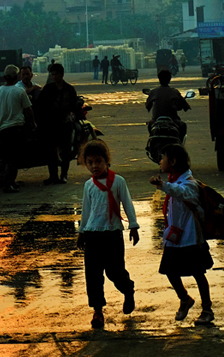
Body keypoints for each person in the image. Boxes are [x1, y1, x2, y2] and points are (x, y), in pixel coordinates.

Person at [149, 144, 214, 325]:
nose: (160, 161)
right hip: (175, 237)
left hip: (191, 237)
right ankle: (185, 298)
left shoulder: (189, 184)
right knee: (169, 270)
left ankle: (207, 309)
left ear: (173, 162)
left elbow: (181, 192)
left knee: (198, 273)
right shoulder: (174, 181)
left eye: (163, 157)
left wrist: (163, 185)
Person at [77, 139, 139, 329]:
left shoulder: (118, 182)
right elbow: (86, 210)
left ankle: (128, 290)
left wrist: (134, 226)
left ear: (106, 161)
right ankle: (97, 311)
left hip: (112, 235)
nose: (94, 166)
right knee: (93, 275)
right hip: (93, 235)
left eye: (98, 161)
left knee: (115, 272)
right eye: (90, 163)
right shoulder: (89, 185)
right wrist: (82, 232)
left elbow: (127, 204)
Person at [0, 64, 37, 194]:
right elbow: (28, 110)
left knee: (8, 156)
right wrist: (32, 123)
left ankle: (11, 182)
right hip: (16, 129)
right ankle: (8, 184)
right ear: (17, 77)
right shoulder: (19, 91)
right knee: (13, 158)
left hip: (3, 130)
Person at [36, 62, 78, 184]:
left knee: (65, 151)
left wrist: (71, 115)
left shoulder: (70, 90)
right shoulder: (48, 89)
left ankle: (64, 175)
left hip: (65, 125)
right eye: (52, 74)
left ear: (62, 74)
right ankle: (53, 175)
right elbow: (40, 106)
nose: (54, 77)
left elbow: (74, 107)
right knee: (51, 151)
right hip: (51, 125)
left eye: (56, 74)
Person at [145, 69, 191, 140]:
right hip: (172, 119)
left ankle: (151, 144)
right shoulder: (174, 92)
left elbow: (147, 106)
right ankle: (180, 143)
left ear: (159, 79)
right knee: (183, 125)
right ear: (169, 79)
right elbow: (185, 106)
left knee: (150, 126)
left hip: (156, 119)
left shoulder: (154, 92)